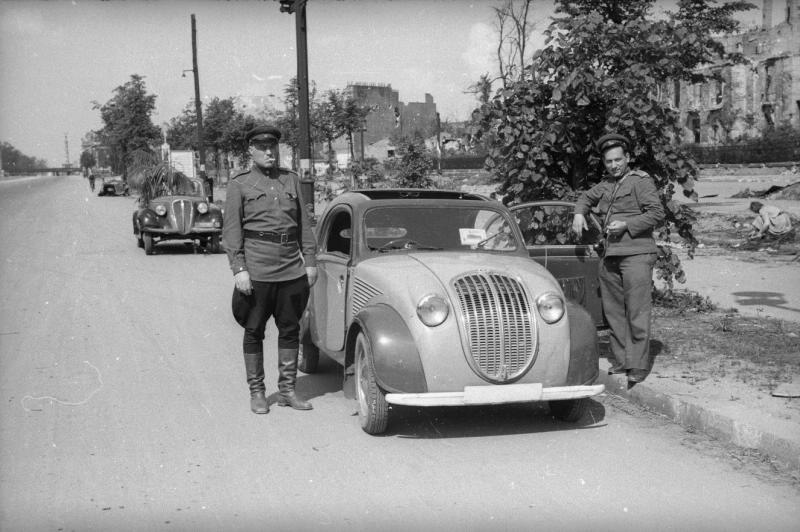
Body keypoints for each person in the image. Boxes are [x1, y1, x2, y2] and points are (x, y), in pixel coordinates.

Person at [223, 125, 318, 414]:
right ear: (251, 150)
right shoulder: (239, 184)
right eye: (262, 148)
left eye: (273, 147)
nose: (269, 152)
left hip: (291, 269)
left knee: (290, 329)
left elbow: (304, 226)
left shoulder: (291, 180)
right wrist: (239, 268)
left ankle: (287, 390)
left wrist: (310, 262)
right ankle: (257, 392)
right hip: (257, 270)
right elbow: (232, 232)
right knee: (254, 330)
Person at [572, 133, 665, 384]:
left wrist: (627, 225)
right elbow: (585, 198)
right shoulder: (605, 185)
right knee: (613, 312)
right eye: (609, 161)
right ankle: (622, 360)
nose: (614, 165)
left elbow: (656, 213)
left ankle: (638, 365)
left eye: (618, 160)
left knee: (637, 311)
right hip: (610, 254)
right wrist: (579, 213)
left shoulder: (640, 182)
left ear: (628, 158)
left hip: (636, 254)